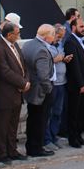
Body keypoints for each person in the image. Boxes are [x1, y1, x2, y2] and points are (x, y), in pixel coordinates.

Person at [0, 21, 29, 163]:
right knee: (2, 126)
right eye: (17, 33)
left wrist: (26, 80)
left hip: (17, 92)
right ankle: (1, 153)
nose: (19, 36)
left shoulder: (15, 44)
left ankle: (12, 150)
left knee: (13, 125)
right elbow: (4, 71)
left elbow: (22, 64)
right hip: (4, 93)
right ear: (9, 34)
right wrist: (22, 83)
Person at [22, 24, 56, 157]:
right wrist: (49, 89)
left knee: (33, 119)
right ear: (47, 35)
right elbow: (43, 75)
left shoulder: (29, 44)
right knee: (40, 120)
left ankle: (31, 146)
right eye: (52, 35)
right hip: (40, 91)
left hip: (31, 89)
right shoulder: (41, 50)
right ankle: (37, 148)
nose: (53, 38)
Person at [63, 18, 84, 148]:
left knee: (81, 113)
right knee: (74, 113)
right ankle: (73, 139)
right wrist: (81, 84)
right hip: (77, 85)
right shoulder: (70, 41)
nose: (83, 28)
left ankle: (79, 137)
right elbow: (74, 66)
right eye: (81, 26)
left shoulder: (79, 41)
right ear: (73, 27)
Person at [44, 24, 69, 150]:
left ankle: (54, 135)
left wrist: (62, 58)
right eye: (58, 36)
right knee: (49, 112)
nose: (59, 39)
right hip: (52, 83)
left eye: (61, 37)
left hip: (62, 82)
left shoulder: (59, 45)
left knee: (58, 112)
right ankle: (47, 138)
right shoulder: (46, 46)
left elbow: (60, 57)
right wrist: (59, 58)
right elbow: (51, 59)